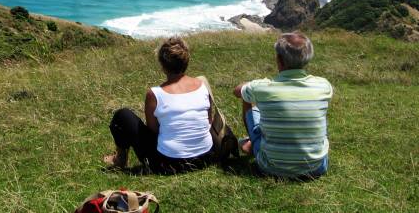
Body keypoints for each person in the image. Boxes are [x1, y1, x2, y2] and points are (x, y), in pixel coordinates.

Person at [106, 37, 217, 174]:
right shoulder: (202, 85)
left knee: (122, 115)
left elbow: (154, 130)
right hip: (206, 157)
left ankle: (120, 159)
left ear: (163, 66)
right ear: (187, 61)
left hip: (170, 164)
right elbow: (209, 121)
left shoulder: (155, 94)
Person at [234, 32, 333, 179]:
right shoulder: (323, 85)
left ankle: (252, 142)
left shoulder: (262, 87)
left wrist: (251, 84)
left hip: (270, 167)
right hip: (316, 168)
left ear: (279, 60)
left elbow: (237, 91)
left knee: (247, 98)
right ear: (307, 60)